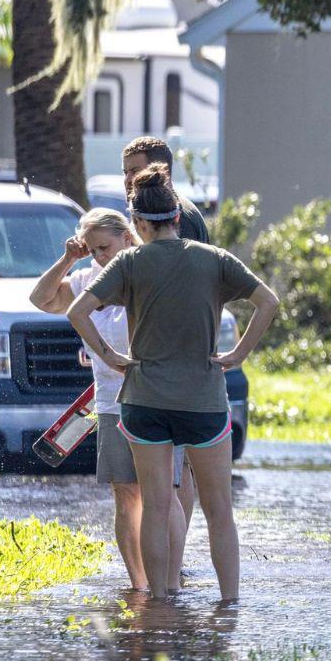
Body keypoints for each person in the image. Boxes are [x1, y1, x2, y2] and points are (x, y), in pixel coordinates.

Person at [68, 165, 279, 600]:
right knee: (220, 511)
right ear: (178, 217)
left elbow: (77, 311)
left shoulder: (129, 261)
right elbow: (268, 302)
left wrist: (112, 358)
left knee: (157, 507)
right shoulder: (214, 259)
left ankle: (160, 600)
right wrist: (238, 355)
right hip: (203, 401)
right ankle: (230, 604)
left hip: (144, 399)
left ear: (139, 223)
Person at [28, 209, 187, 591]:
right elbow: (41, 299)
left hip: (157, 399)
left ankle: (170, 582)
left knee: (162, 495)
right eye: (93, 248)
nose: (100, 255)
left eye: (105, 247)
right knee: (124, 495)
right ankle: (139, 586)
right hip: (111, 403)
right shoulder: (85, 280)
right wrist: (69, 258)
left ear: (128, 237)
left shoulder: (146, 274)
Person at [121, 137, 206, 536]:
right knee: (175, 468)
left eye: (133, 172)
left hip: (175, 356)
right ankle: (173, 552)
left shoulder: (175, 217)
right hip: (169, 356)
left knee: (177, 471)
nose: (127, 180)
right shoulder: (157, 213)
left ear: (160, 172)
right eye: (124, 172)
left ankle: (174, 552)